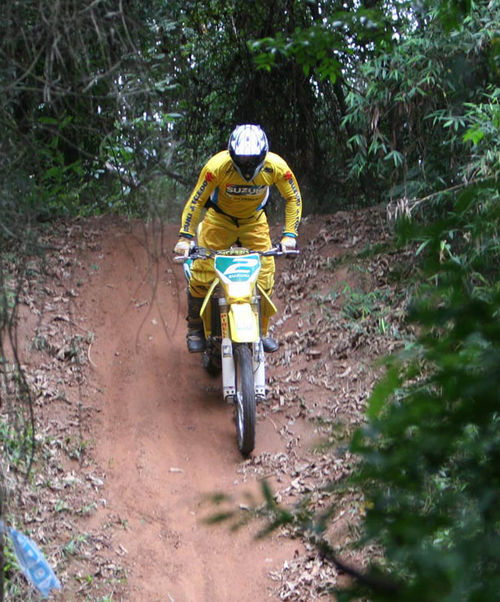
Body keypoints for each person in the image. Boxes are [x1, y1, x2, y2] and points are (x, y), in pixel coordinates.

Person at [173, 124, 302, 353]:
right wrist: (185, 237)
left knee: (264, 275)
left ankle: (261, 333)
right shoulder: (217, 167)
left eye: (252, 160)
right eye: (241, 159)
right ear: (232, 155)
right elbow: (197, 200)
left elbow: (293, 197)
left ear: (263, 156)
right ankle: (195, 327)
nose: (247, 165)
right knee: (203, 272)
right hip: (219, 220)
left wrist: (289, 235)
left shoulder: (276, 167)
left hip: (254, 221)